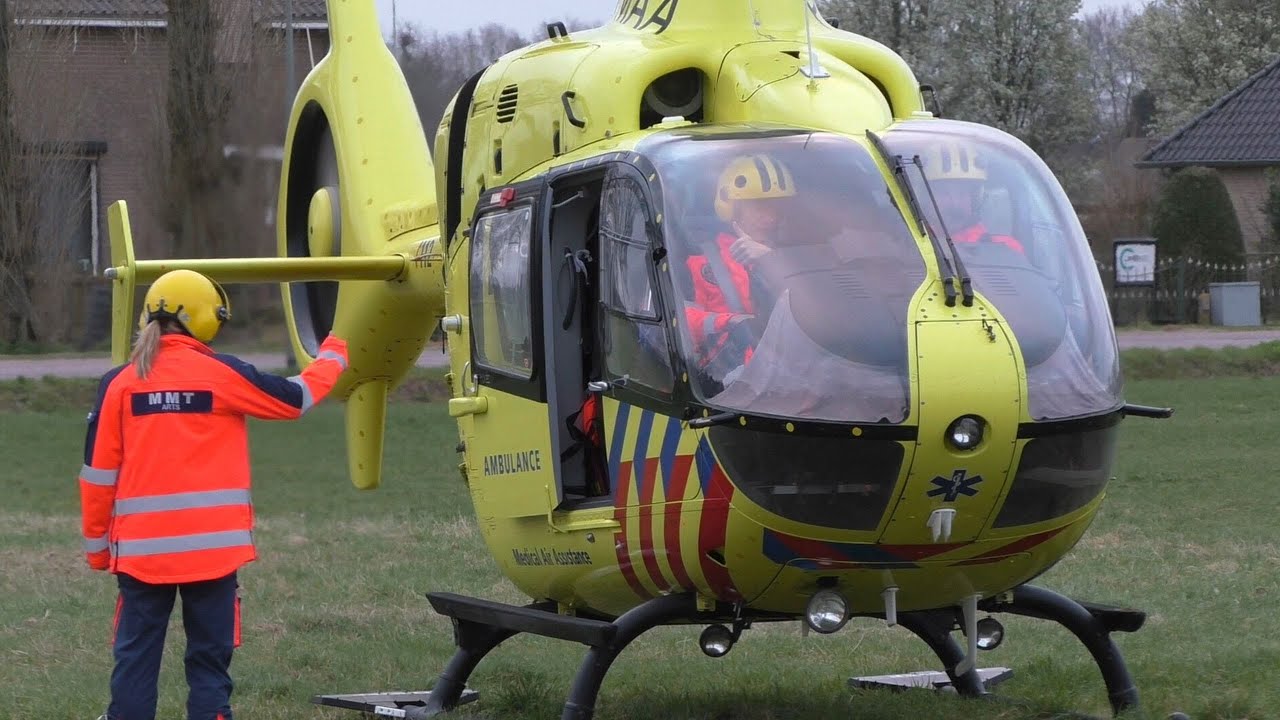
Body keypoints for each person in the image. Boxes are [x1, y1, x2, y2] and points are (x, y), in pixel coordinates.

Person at [79, 269, 349, 720]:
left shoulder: (120, 383)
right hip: (214, 553)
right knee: (208, 664)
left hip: (143, 556)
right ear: (206, 319)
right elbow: (295, 398)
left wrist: (97, 551)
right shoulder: (220, 373)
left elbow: (97, 476)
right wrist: (335, 354)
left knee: (135, 662)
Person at [684, 153, 796, 384]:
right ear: (732, 208)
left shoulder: (792, 256)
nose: (771, 217)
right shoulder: (701, 261)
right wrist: (731, 323)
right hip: (726, 379)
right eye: (759, 206)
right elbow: (680, 320)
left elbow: (816, 305)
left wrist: (770, 260)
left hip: (792, 373)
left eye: (777, 207)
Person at [920, 140, 1025, 254]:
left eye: (962, 193)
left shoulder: (1006, 249)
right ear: (925, 198)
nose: (954, 203)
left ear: (976, 199)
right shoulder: (906, 247)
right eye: (943, 193)